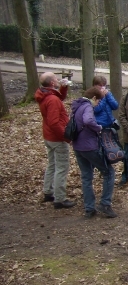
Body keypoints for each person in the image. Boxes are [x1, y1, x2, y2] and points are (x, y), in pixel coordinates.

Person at [71, 87, 117, 218]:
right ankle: (105, 203)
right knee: (108, 171)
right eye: (98, 101)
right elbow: (88, 120)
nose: (97, 104)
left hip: (78, 146)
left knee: (86, 176)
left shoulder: (76, 106)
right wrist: (98, 128)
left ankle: (89, 208)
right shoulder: (87, 107)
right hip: (89, 146)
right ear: (94, 98)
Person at [34, 72, 75, 209]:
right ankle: (60, 198)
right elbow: (54, 122)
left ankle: (48, 191)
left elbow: (59, 98)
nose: (58, 80)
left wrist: (63, 88)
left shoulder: (46, 94)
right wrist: (65, 137)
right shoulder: (52, 100)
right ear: (52, 83)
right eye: (56, 79)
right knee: (62, 167)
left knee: (52, 164)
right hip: (57, 138)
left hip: (49, 136)